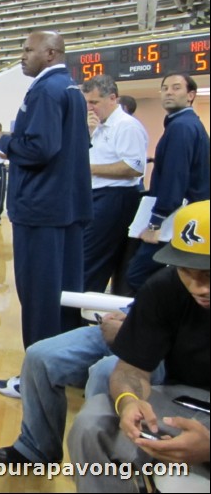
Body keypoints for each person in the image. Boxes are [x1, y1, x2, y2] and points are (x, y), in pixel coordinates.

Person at [67, 200, 210, 493]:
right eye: (187, 270)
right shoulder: (164, 288)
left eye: (208, 273)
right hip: (187, 399)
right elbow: (130, 369)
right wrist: (129, 401)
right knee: (94, 423)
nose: (198, 286)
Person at [0, 31, 91, 398]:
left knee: (38, 298)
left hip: (41, 211)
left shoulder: (46, 91)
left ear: (50, 54)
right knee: (64, 297)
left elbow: (40, 148)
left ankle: (36, 383)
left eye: (27, 49)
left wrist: (6, 141)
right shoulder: (70, 89)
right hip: (65, 208)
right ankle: (63, 372)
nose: (22, 55)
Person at [126, 73, 210, 293]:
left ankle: (159, 322)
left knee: (138, 275)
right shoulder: (184, 124)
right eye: (165, 88)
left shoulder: (181, 127)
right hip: (185, 217)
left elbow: (175, 178)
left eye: (176, 88)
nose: (169, 92)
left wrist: (155, 224)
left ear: (191, 95)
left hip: (178, 219)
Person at [82, 74, 147, 294]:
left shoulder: (127, 126)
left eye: (94, 102)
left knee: (91, 260)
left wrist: (89, 169)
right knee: (88, 258)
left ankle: (83, 312)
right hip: (97, 197)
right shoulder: (98, 126)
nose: (90, 108)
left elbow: (134, 167)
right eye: (87, 102)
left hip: (115, 198)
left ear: (112, 98)